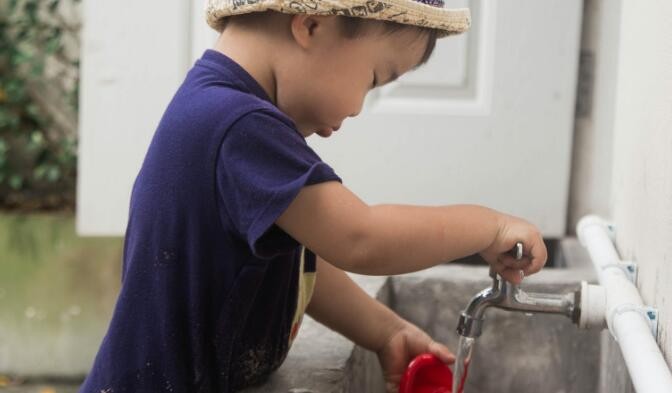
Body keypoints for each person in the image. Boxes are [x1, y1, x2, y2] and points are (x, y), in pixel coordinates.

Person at [81, 1, 548, 392]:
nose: (358, 108)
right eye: (372, 78)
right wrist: (490, 226)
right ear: (311, 24)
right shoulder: (239, 125)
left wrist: (385, 331)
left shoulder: (227, 109)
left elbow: (299, 260)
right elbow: (359, 238)